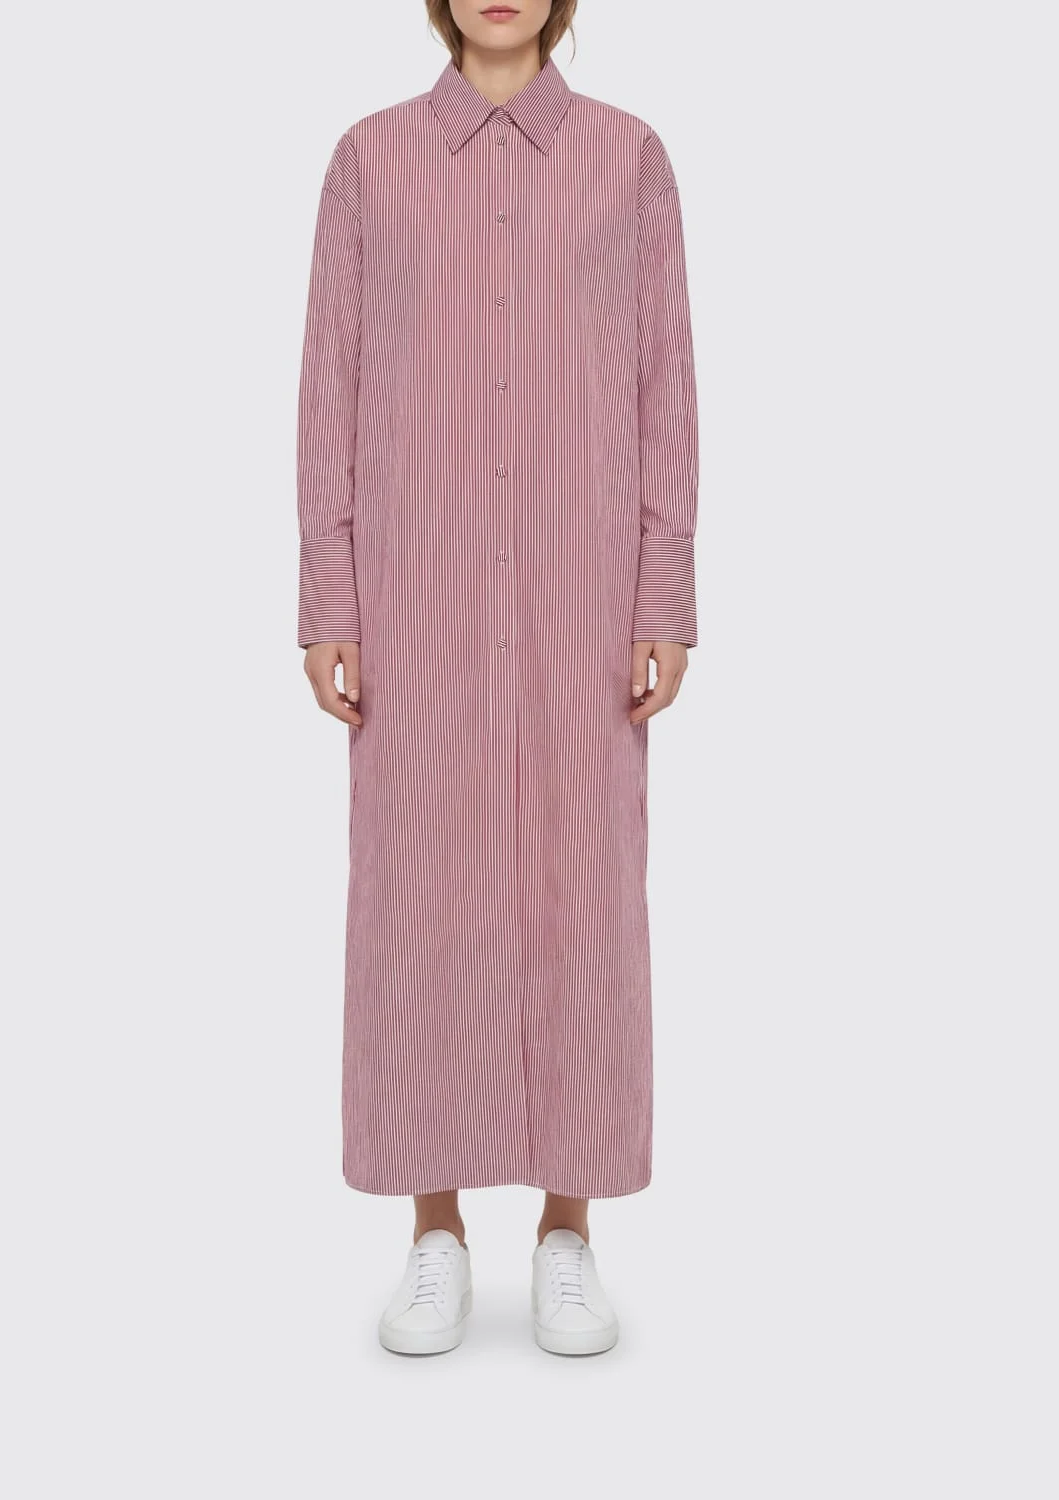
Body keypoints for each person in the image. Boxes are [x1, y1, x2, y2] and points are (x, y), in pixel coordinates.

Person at [297, 0, 698, 1356]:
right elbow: (332, 384)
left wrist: (661, 588)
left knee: (583, 888)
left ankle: (569, 1231)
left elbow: (665, 381)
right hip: (419, 597)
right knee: (421, 892)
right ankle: (436, 1232)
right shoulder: (370, 159)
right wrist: (332, 590)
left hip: (585, 600)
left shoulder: (630, 158)